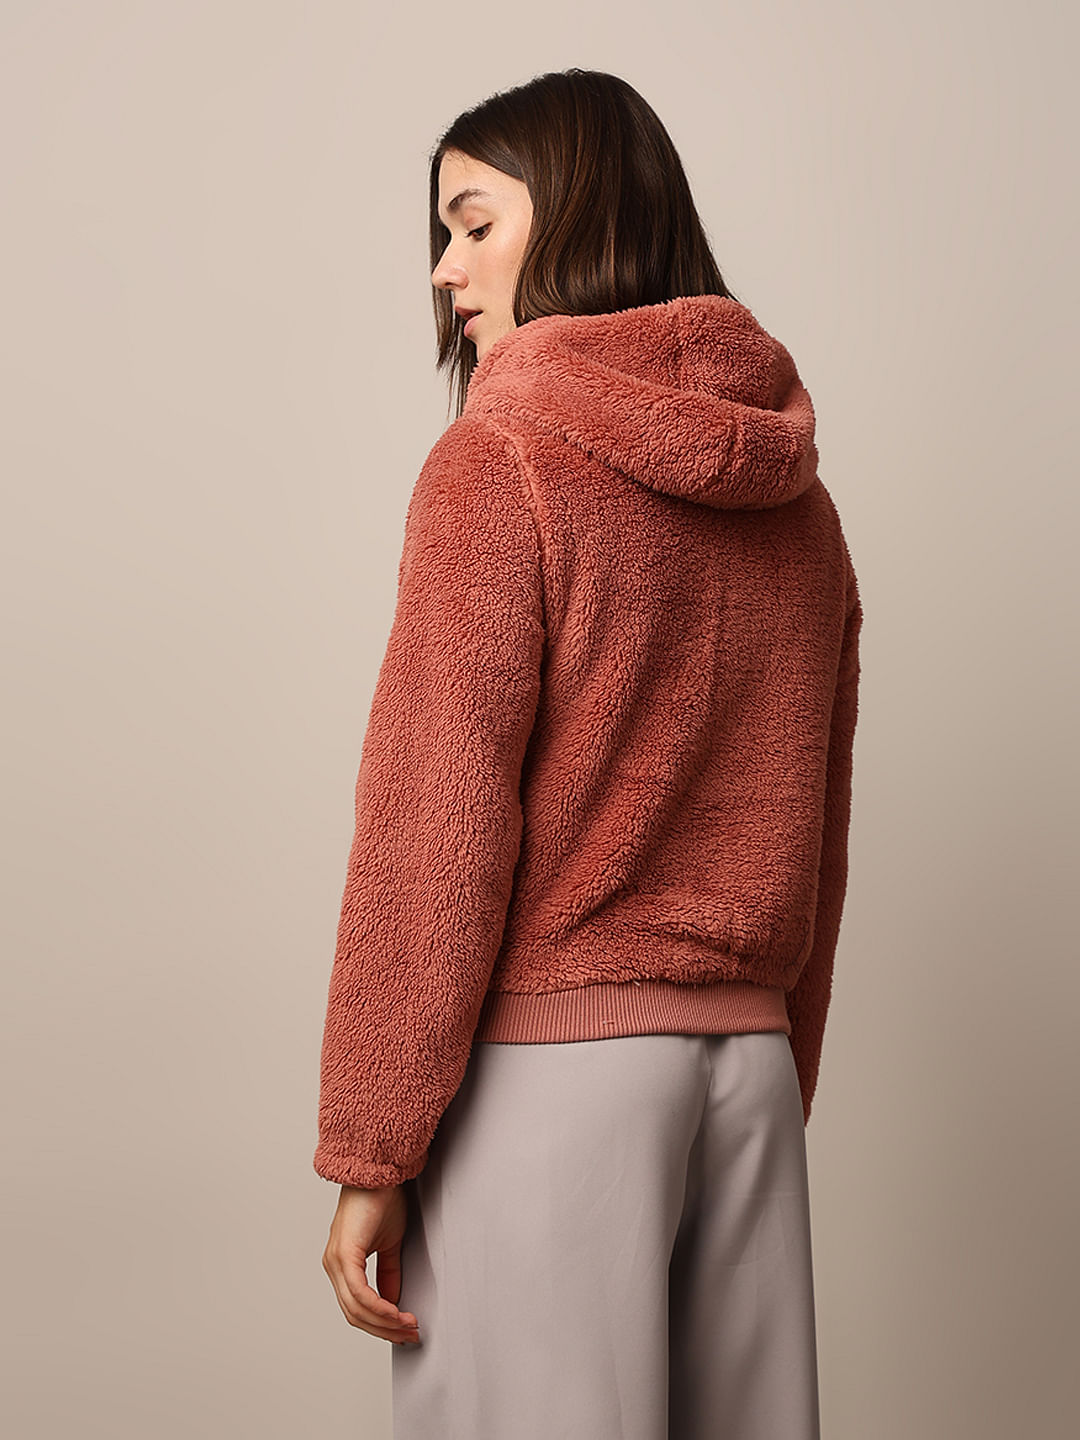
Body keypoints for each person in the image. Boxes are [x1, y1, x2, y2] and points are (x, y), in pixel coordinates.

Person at [315, 67, 863, 1440]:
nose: (444, 270)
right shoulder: (801, 509)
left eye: (475, 225)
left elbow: (433, 823)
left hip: (554, 1084)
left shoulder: (497, 468)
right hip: (745, 1071)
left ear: (579, 219)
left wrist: (374, 1143)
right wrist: (776, 1063)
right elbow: (814, 824)